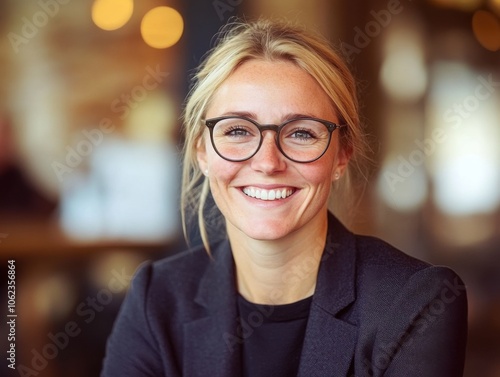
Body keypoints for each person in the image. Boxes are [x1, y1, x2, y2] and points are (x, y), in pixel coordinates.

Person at [101, 19, 467, 377]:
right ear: (201, 150)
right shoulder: (157, 299)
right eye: (238, 130)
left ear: (341, 155)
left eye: (302, 133)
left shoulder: (415, 303)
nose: (267, 162)